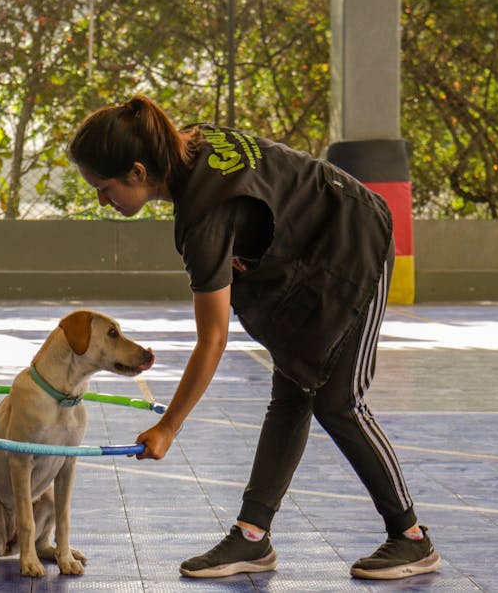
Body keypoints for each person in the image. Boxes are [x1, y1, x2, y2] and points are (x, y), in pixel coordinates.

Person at [67, 95, 440, 581]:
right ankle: (251, 537)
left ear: (138, 172)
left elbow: (213, 339)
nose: (102, 199)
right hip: (313, 252)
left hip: (357, 244)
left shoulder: (204, 219)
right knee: (291, 392)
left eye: (104, 186)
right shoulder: (191, 144)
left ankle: (411, 538)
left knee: (336, 402)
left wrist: (168, 427)